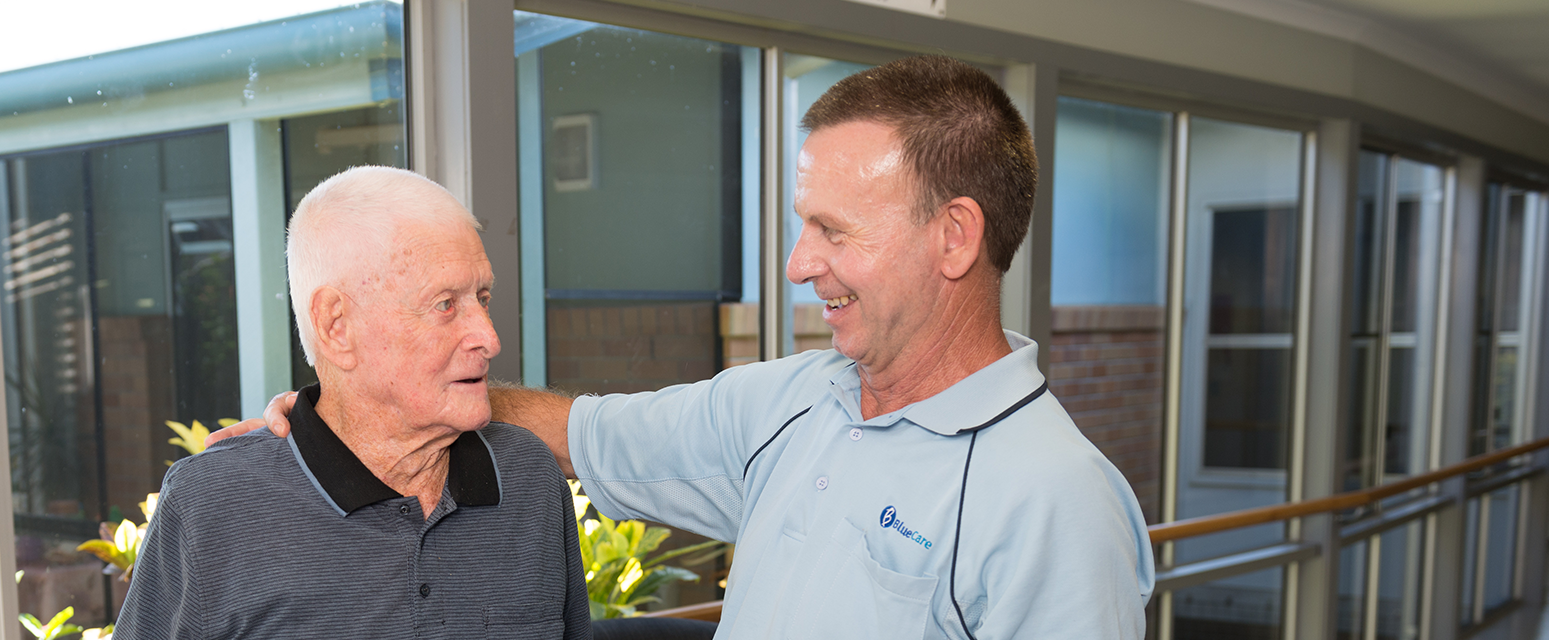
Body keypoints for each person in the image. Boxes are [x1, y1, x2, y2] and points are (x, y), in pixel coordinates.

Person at [218, 55, 1153, 638]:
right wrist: (367, 404)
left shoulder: (1057, 503)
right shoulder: (793, 402)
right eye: (802, 227)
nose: (798, 264)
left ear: (955, 237)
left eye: (833, 231)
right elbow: (579, 431)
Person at [117, 166, 590, 639]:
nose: (489, 338)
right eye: (445, 304)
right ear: (336, 326)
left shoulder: (529, 476)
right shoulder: (211, 506)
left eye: (482, 298)